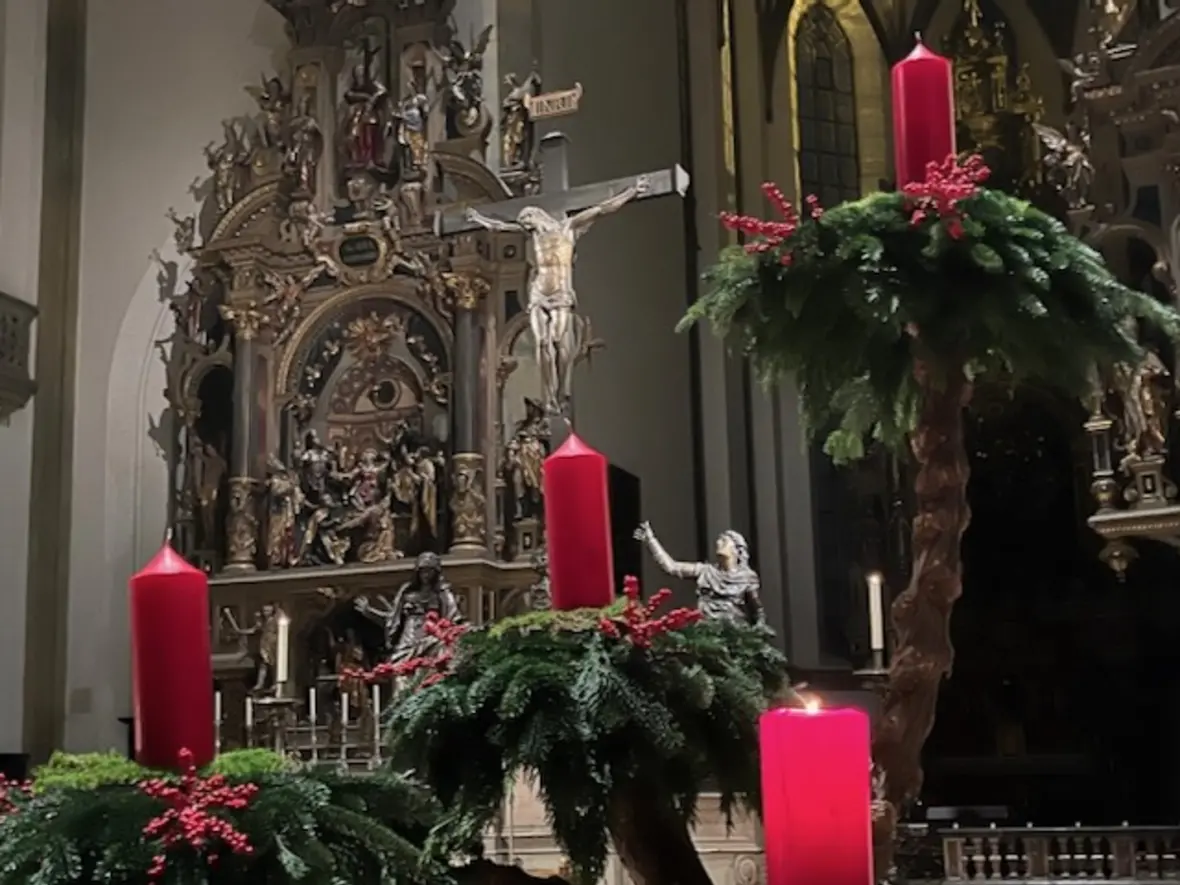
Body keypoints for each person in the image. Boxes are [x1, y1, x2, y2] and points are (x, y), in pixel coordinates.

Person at [633, 522, 764, 626]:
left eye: (724, 541)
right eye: (719, 540)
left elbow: (757, 609)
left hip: (735, 632)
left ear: (737, 550)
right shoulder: (706, 571)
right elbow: (672, 567)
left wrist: (759, 629)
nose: (718, 543)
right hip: (707, 631)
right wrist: (651, 540)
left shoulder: (747, 577)